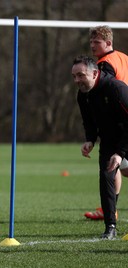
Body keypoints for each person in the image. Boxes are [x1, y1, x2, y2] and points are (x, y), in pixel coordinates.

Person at [72, 55, 128, 239]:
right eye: (74, 76)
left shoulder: (116, 88)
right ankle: (110, 226)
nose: (77, 80)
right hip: (110, 139)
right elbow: (88, 120)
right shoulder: (83, 95)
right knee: (106, 178)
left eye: (81, 75)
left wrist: (120, 153)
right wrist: (90, 139)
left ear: (95, 73)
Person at [84, 25, 128, 220]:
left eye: (97, 42)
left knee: (112, 165)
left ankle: (110, 210)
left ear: (108, 43)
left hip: (120, 123)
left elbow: (105, 92)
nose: (92, 45)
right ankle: (110, 209)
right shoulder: (123, 57)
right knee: (123, 169)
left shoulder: (103, 65)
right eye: (91, 42)